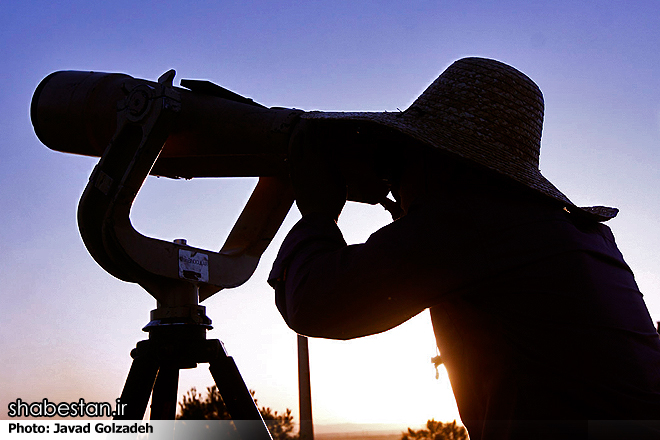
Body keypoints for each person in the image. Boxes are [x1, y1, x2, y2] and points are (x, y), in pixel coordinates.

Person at [267, 58, 660, 439]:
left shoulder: (473, 220)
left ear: (435, 157)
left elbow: (315, 303)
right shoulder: (572, 232)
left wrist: (318, 212)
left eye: (399, 157)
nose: (394, 183)